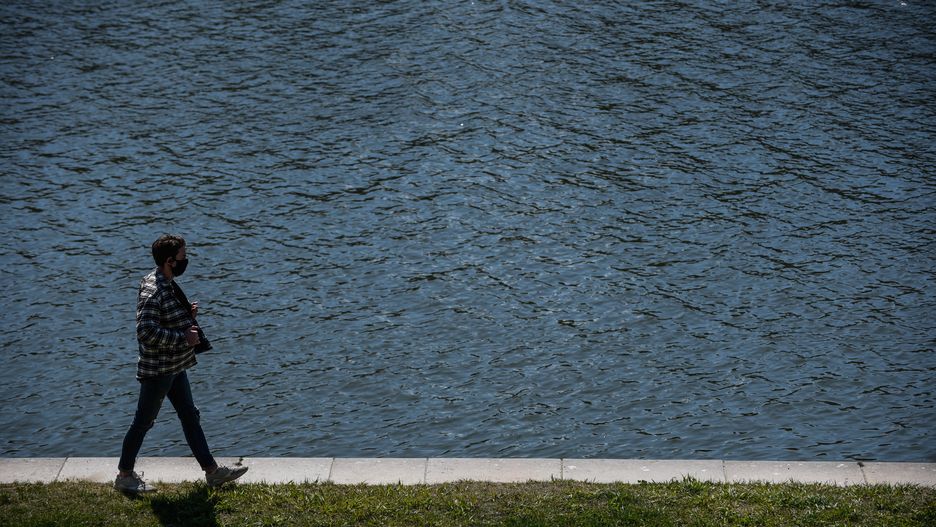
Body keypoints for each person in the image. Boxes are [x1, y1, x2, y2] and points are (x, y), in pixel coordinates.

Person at [115, 234, 247, 493]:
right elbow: (145, 331)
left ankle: (212, 472)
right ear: (169, 261)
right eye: (183, 257)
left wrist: (187, 314)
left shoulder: (165, 282)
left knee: (190, 416)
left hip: (175, 367)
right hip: (159, 371)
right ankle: (124, 476)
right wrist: (182, 337)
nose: (186, 260)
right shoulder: (155, 290)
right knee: (143, 422)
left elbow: (163, 318)